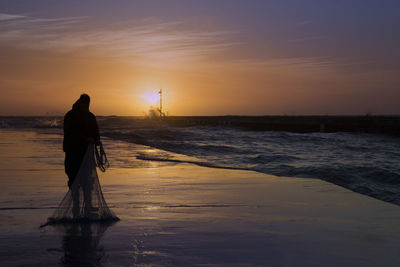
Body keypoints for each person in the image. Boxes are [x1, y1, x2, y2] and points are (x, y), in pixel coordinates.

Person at [63, 94, 100, 188]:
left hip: (85, 153)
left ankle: (86, 201)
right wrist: (86, 139)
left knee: (86, 180)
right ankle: (76, 201)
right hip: (73, 152)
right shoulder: (70, 115)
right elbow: (69, 133)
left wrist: (95, 140)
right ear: (80, 102)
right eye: (84, 103)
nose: (86, 105)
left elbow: (96, 134)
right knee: (73, 177)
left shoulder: (90, 116)